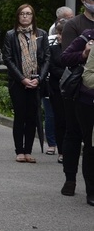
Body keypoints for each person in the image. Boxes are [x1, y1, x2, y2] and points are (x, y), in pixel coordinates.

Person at [2, 4, 50, 163]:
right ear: (18, 16)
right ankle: (19, 151)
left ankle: (28, 151)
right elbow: (8, 59)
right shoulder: (11, 35)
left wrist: (39, 78)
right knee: (20, 116)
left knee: (32, 117)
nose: (25, 16)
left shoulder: (41, 34)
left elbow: (47, 58)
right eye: (22, 14)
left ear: (33, 16)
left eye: (28, 14)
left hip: (36, 81)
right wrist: (22, 79)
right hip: (18, 83)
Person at [60, 0, 94, 197]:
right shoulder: (75, 25)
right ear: (84, 1)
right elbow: (65, 57)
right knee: (74, 132)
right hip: (77, 87)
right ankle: (70, 178)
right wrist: (83, 54)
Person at [47, 19, 68, 163]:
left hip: (72, 90)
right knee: (59, 120)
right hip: (56, 89)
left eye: (62, 33)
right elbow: (51, 67)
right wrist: (66, 74)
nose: (59, 36)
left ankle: (70, 150)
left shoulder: (76, 49)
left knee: (71, 122)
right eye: (58, 33)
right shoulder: (53, 50)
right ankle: (61, 151)